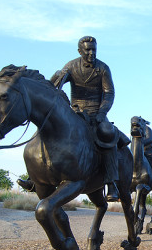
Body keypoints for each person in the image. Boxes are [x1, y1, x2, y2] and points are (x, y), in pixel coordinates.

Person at [18, 36, 128, 201]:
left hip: (96, 113)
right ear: (80, 51)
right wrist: (56, 78)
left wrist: (102, 112)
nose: (91, 53)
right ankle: (34, 178)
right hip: (75, 111)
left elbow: (109, 93)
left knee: (107, 132)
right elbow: (54, 84)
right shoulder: (71, 65)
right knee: (47, 125)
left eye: (94, 49)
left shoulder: (103, 68)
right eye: (88, 50)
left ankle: (111, 181)